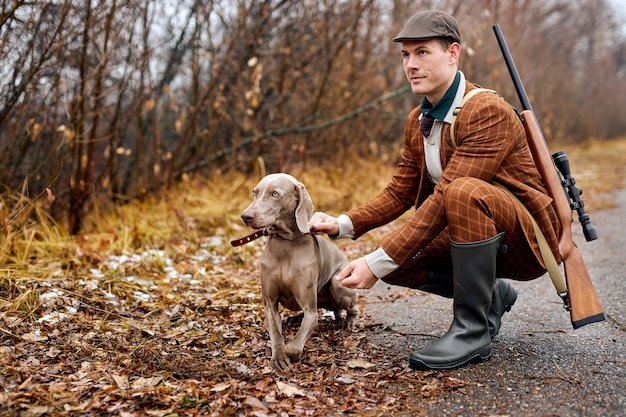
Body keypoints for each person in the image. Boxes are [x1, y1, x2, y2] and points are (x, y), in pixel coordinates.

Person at [308, 9, 561, 370]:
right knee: (395, 260)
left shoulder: (486, 110)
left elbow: (448, 194)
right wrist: (342, 224)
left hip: (529, 240)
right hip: (478, 233)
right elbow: (399, 192)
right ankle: (488, 295)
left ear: (453, 53)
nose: (411, 64)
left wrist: (377, 261)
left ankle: (473, 332)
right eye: (406, 55)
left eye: (423, 52)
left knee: (460, 193)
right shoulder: (419, 120)